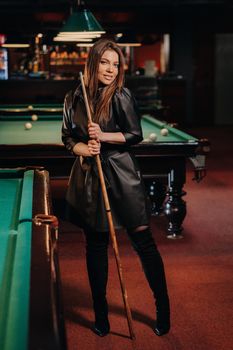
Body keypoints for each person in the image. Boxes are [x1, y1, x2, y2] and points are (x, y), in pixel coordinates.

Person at [62, 38, 170, 337]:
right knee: (95, 245)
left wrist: (105, 136)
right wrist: (84, 148)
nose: (111, 69)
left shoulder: (121, 95)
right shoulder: (74, 97)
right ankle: (101, 315)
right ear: (93, 63)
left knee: (143, 242)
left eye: (115, 63)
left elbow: (135, 134)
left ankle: (163, 307)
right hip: (91, 177)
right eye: (105, 62)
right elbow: (68, 138)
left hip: (122, 175)